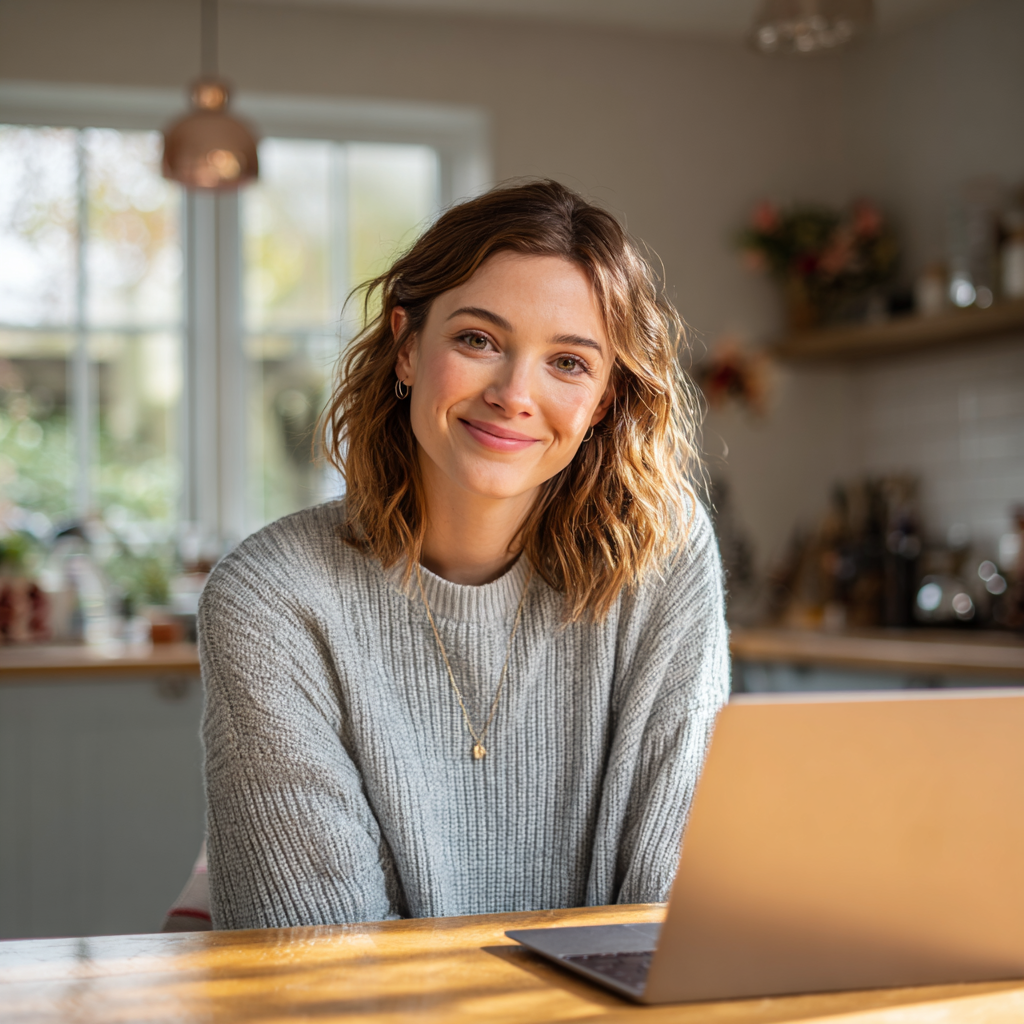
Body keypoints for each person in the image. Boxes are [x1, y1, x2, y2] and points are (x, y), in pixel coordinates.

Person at [200, 179, 729, 930]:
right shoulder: (273, 596)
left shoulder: (663, 553)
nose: (515, 393)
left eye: (569, 362)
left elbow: (672, 902)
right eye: (478, 340)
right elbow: (317, 954)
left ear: (605, 400)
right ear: (407, 348)